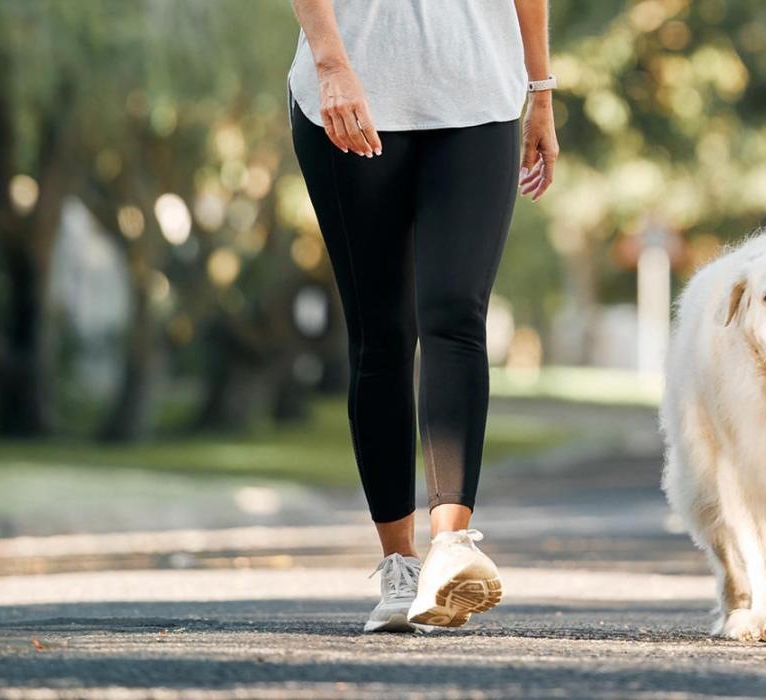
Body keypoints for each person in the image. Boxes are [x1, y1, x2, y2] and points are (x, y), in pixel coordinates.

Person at [287, 0, 559, 633]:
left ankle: (450, 548)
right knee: (381, 334)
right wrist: (330, 63)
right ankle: (398, 566)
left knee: (457, 316)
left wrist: (541, 92)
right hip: (349, 93)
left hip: (481, 97)